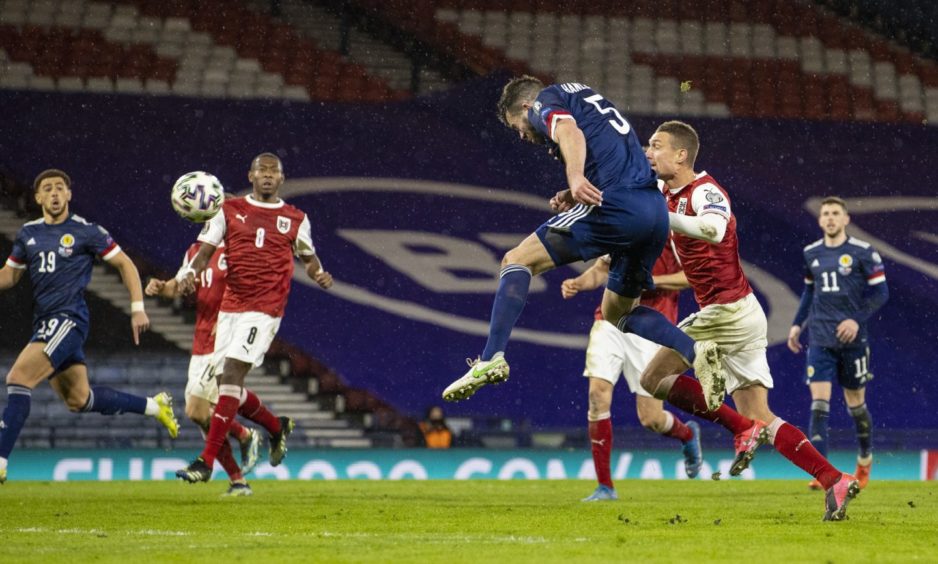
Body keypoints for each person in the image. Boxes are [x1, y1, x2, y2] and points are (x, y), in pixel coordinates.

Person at [442, 76, 725, 408]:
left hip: (617, 207)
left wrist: (574, 178)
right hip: (653, 213)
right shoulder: (583, 95)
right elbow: (610, 154)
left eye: (517, 126)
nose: (522, 134)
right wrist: (572, 192)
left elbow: (569, 132)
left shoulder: (542, 103)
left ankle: (491, 357)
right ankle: (696, 350)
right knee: (618, 312)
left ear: (524, 107)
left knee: (516, 260)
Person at [640, 121, 859, 521]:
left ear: (681, 155)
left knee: (652, 379)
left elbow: (714, 227)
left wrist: (662, 217)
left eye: (656, 146)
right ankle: (833, 479)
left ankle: (739, 427)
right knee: (763, 416)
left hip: (725, 312)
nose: (648, 152)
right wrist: (577, 198)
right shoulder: (662, 192)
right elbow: (627, 197)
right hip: (743, 312)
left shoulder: (705, 191)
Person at [0, 169, 178, 484]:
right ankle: (154, 406)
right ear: (38, 197)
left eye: (60, 188)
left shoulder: (87, 232)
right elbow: (9, 276)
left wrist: (137, 309)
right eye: (47, 189)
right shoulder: (28, 234)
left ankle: (0, 459)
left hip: (69, 320)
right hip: (46, 322)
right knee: (78, 399)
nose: (54, 193)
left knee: (18, 378)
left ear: (69, 194)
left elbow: (125, 264)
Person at [175, 153, 333, 483]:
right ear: (251, 175)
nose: (267, 175)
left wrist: (319, 273)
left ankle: (206, 462)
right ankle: (277, 427)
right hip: (231, 308)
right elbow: (204, 252)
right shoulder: (228, 211)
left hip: (265, 310)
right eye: (261, 170)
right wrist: (190, 274)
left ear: (281, 178)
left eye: (273, 171)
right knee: (225, 386)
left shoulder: (295, 217)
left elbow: (309, 256)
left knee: (232, 374)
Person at [562, 246, 703, 502]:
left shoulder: (671, 233)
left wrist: (651, 281)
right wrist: (578, 283)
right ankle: (605, 487)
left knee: (651, 418)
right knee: (597, 395)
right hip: (610, 320)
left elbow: (691, 276)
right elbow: (601, 270)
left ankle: (687, 434)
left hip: (652, 325)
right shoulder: (618, 225)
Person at [146, 240, 263, 496]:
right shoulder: (196, 250)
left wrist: (232, 322)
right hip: (200, 342)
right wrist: (161, 286)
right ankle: (238, 478)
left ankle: (242, 441)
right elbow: (179, 287)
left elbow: (253, 292)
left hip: (224, 341)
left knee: (196, 409)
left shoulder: (239, 247)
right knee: (201, 417)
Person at [787, 196, 888, 491]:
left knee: (856, 405)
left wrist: (855, 319)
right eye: (826, 214)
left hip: (854, 341)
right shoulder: (811, 253)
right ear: (820, 221)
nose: (830, 218)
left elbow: (881, 294)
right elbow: (809, 292)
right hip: (820, 338)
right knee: (819, 403)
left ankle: (865, 461)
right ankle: (824, 473)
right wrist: (796, 324)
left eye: (835, 214)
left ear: (846, 219)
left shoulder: (863, 252)